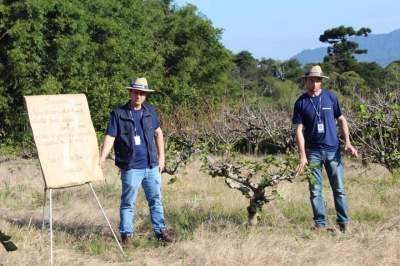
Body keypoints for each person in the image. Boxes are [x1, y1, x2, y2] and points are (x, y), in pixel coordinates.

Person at [99, 77, 173, 246]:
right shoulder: (118, 113)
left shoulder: (150, 112)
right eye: (135, 92)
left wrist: (162, 158)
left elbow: (158, 133)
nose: (138, 96)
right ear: (130, 92)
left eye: (142, 93)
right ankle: (126, 235)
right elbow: (111, 136)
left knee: (155, 200)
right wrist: (102, 157)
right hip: (131, 166)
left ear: (145, 95)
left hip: (151, 165)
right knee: (128, 202)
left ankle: (160, 231)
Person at [292, 65, 358, 233]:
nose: (315, 83)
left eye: (318, 80)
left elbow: (342, 120)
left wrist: (348, 143)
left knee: (339, 189)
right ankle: (320, 224)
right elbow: (299, 130)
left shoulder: (331, 97)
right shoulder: (301, 102)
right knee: (315, 191)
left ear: (322, 81)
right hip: (312, 152)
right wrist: (302, 156)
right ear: (306, 81)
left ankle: (344, 224)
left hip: (332, 151)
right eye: (312, 80)